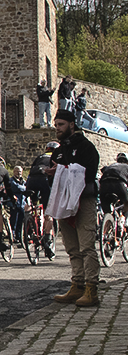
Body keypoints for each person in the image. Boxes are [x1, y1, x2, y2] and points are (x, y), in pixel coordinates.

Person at [48, 108, 100, 306]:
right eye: (55, 126)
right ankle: (77, 284)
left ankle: (91, 288)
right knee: (72, 247)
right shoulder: (59, 151)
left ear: (71, 124)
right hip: (64, 201)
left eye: (60, 125)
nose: (57, 129)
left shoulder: (86, 147)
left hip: (84, 200)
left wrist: (61, 171)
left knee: (87, 246)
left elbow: (89, 173)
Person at [26, 141, 60, 255]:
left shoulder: (39, 157)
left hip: (32, 181)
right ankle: (47, 238)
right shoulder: (56, 157)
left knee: (33, 205)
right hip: (45, 180)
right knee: (48, 213)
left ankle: (30, 222)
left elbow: (31, 172)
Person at [98, 152, 128, 217]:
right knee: (126, 202)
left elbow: (103, 169)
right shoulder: (126, 167)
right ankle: (127, 221)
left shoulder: (110, 166)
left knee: (106, 208)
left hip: (104, 185)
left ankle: (107, 220)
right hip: (118, 184)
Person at [7, 165, 28, 244]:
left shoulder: (23, 181)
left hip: (22, 205)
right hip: (14, 204)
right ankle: (12, 237)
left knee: (20, 222)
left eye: (20, 171)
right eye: (17, 171)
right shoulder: (11, 180)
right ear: (14, 172)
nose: (19, 173)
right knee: (13, 221)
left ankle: (19, 237)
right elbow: (16, 187)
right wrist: (25, 188)